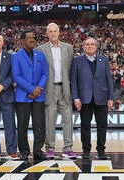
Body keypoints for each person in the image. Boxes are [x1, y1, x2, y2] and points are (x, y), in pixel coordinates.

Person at [36, 23, 76, 159]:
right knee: (49, 119)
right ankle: (50, 148)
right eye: (50, 31)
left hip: (64, 88)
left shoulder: (68, 48)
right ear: (47, 34)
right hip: (49, 88)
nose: (53, 33)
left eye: (55, 31)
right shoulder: (40, 49)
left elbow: (71, 69)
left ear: (59, 32)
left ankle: (68, 148)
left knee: (67, 119)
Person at [71, 37, 113, 160]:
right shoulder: (77, 61)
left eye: (92, 44)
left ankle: (101, 150)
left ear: (96, 47)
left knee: (102, 125)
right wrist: (76, 98)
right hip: (84, 98)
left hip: (102, 97)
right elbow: (74, 81)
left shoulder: (103, 60)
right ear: (83, 47)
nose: (90, 46)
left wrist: (110, 97)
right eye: (87, 44)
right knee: (85, 125)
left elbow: (109, 80)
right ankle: (86, 150)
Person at [11, 30, 48, 161]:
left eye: (34, 37)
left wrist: (38, 89)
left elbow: (45, 73)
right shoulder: (16, 56)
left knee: (39, 125)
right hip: (23, 96)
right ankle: (24, 151)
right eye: (29, 38)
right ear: (22, 41)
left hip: (39, 95)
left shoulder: (41, 55)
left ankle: (38, 151)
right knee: (22, 126)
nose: (32, 40)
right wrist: (32, 89)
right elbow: (16, 76)